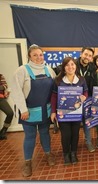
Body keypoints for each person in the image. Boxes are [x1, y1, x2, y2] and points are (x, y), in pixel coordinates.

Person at [11, 44, 56, 177]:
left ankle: (48, 154)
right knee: (30, 136)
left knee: (44, 133)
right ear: (29, 56)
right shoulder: (22, 71)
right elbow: (16, 91)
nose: (38, 57)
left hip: (45, 110)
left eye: (41, 55)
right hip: (28, 112)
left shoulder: (49, 70)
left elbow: (54, 89)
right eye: (35, 55)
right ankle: (27, 162)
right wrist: (23, 110)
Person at [53, 47, 96, 153]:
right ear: (81, 54)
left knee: (86, 123)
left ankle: (88, 142)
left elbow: (88, 87)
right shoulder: (72, 63)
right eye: (86, 54)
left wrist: (86, 96)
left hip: (86, 99)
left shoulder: (92, 67)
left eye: (90, 56)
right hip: (68, 105)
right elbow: (58, 69)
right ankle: (68, 152)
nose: (87, 57)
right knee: (68, 130)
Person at [50, 57, 88, 165]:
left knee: (75, 134)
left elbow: (85, 91)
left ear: (76, 66)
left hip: (76, 112)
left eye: (72, 64)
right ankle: (66, 154)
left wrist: (84, 97)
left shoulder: (81, 79)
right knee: (65, 135)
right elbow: (53, 96)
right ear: (64, 67)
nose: (70, 67)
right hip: (63, 113)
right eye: (67, 65)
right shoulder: (58, 80)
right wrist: (53, 111)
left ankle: (73, 153)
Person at [0, 74, 14, 140]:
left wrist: (2, 87)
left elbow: (5, 86)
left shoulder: (0, 76)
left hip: (1, 99)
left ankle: (3, 131)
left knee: (10, 113)